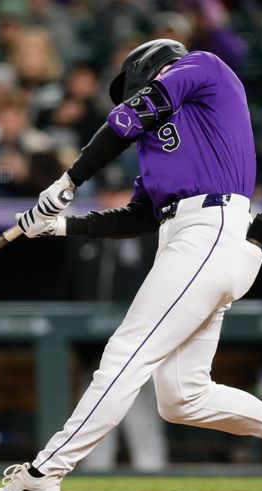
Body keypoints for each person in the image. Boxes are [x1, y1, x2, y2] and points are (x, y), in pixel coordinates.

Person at [0, 38, 262, 491]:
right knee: (182, 397)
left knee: (125, 354)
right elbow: (139, 215)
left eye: (131, 88)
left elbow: (128, 117)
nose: (129, 98)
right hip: (192, 238)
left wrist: (69, 180)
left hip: (212, 229)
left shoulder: (202, 67)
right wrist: (60, 225)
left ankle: (43, 475)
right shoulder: (162, 148)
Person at [64, 170, 168, 473]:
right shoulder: (85, 238)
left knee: (144, 429)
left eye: (120, 192)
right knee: (95, 432)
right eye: (107, 193)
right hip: (94, 354)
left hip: (139, 348)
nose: (112, 199)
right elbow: (69, 293)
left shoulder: (152, 236)